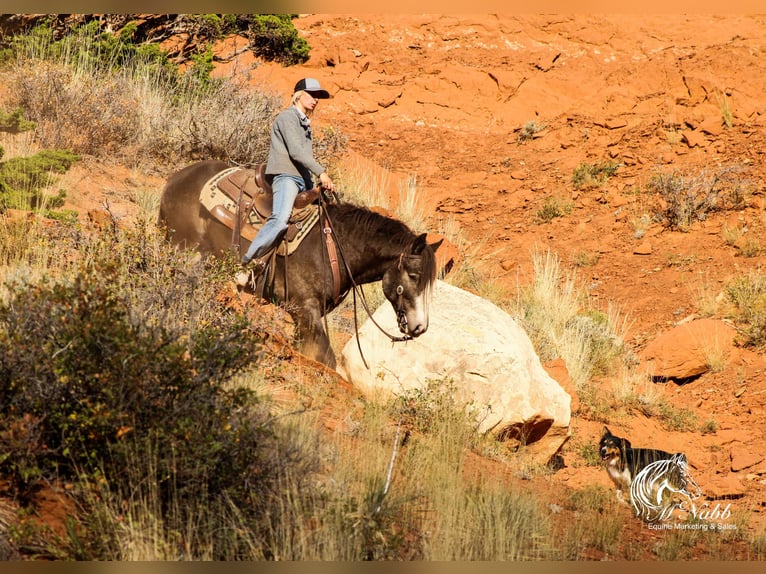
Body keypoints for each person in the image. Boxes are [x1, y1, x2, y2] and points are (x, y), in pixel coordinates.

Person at [239, 77, 335, 282]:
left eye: (318, 96)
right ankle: (246, 262)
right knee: (281, 219)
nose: (316, 100)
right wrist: (321, 172)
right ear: (298, 95)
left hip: (303, 180)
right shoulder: (287, 118)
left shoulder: (304, 123)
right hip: (286, 176)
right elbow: (297, 152)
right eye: (312, 94)